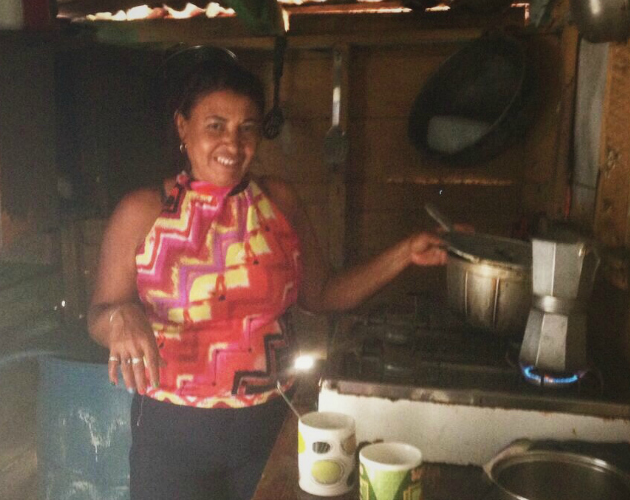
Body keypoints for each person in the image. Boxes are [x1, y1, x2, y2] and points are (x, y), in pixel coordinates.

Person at [87, 52, 446, 500]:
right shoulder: (142, 212)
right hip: (171, 431)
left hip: (271, 421)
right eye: (215, 125)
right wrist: (120, 317)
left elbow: (324, 294)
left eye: (247, 128)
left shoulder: (277, 201)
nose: (233, 144)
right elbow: (99, 315)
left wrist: (405, 254)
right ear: (183, 127)